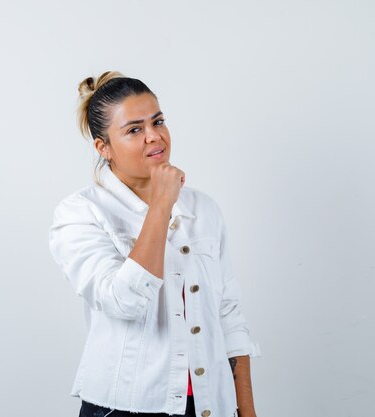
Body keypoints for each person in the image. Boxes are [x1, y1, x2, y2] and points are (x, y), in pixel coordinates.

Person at [48, 71, 261, 417]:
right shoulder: (80, 213)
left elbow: (229, 315)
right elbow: (124, 302)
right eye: (134, 130)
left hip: (210, 405)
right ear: (104, 147)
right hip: (124, 408)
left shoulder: (203, 209)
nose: (154, 137)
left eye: (157, 121)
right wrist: (161, 205)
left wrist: (247, 410)